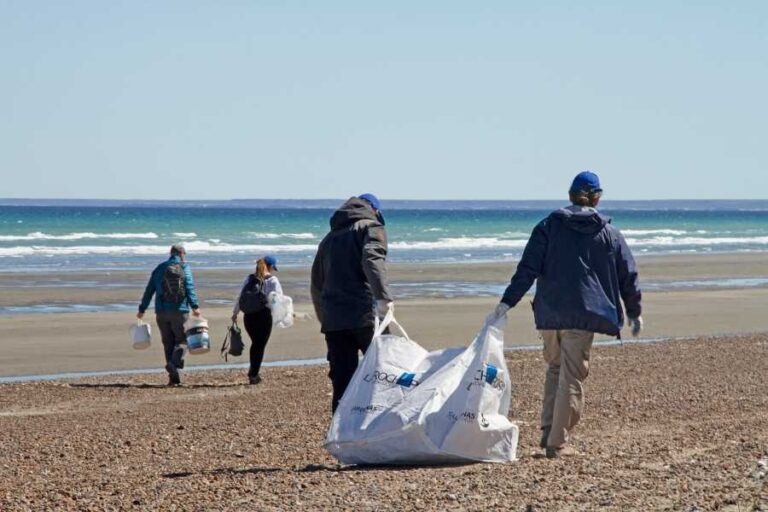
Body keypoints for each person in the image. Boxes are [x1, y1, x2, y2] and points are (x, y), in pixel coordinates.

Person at [486, 171, 643, 459]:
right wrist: (634, 311)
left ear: (570, 195)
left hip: (550, 313)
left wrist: (506, 303)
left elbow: (527, 270)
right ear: (596, 197)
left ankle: (548, 432)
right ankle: (557, 443)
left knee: (556, 370)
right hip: (582, 315)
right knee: (571, 376)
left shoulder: (548, 226)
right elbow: (627, 275)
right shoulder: (609, 233)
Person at [311, 193, 394, 413]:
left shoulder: (327, 240)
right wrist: (383, 298)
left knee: (342, 382)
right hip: (366, 315)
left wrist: (325, 318)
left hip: (335, 321)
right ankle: (378, 428)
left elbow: (316, 285)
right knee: (382, 374)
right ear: (374, 210)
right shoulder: (371, 227)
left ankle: (340, 435)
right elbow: (372, 259)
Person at [137, 244, 201, 386]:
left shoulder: (159, 268)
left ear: (170, 253)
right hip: (180, 310)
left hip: (161, 312)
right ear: (182, 254)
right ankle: (173, 364)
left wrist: (142, 309)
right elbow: (189, 287)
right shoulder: (184, 268)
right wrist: (195, 306)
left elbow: (149, 291)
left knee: (168, 343)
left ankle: (173, 378)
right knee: (183, 340)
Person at [231, 255, 282, 385]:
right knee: (259, 345)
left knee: (256, 344)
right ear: (270, 267)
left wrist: (235, 312)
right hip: (263, 316)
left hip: (248, 316)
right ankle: (253, 374)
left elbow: (240, 296)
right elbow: (277, 300)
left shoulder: (249, 278)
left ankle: (253, 372)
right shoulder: (272, 280)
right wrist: (281, 315)